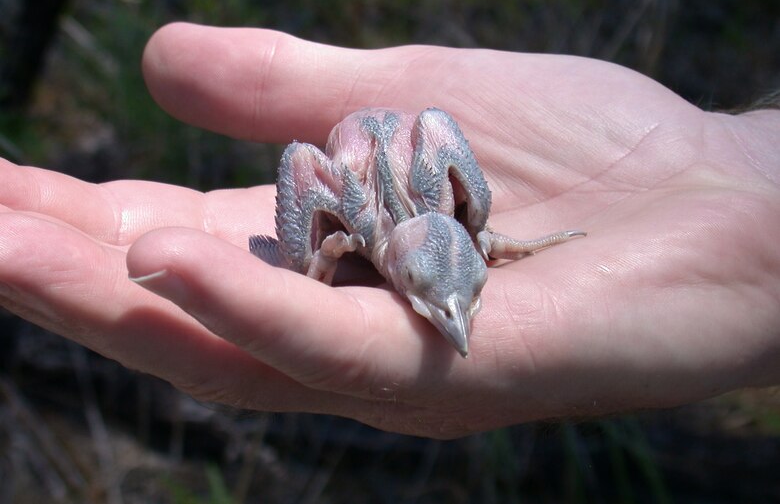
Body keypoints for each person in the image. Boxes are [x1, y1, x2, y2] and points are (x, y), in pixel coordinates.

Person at [1, 23, 778, 438]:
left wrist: (480, 235)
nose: (455, 329)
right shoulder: (361, 228)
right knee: (344, 168)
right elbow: (306, 164)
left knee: (430, 132)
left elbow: (435, 127)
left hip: (425, 201)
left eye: (457, 306)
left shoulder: (431, 214)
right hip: (369, 184)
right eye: (440, 305)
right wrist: (308, 262)